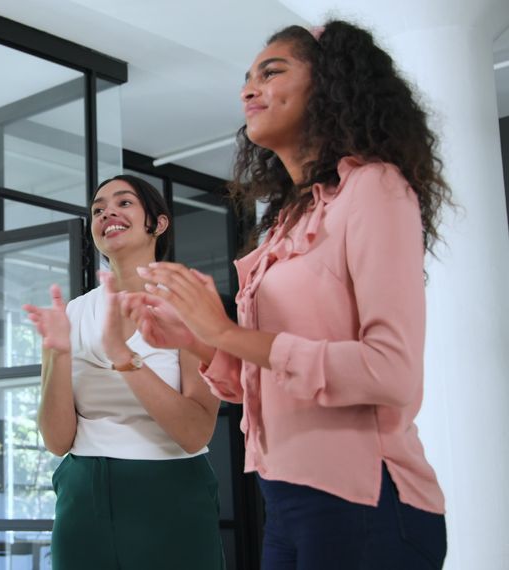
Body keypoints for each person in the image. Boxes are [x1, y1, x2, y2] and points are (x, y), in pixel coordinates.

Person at [132, 20, 451, 569]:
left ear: (328, 84)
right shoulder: (284, 223)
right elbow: (262, 380)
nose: (247, 90)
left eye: (270, 72)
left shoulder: (375, 187)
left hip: (368, 505)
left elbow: (391, 371)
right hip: (284, 503)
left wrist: (226, 332)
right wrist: (202, 344)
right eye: (246, 79)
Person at [23, 174, 224, 569]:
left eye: (124, 203)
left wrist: (124, 359)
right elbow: (57, 440)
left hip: (172, 490)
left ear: (158, 223)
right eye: (98, 209)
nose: (107, 212)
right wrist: (59, 355)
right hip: (83, 493)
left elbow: (195, 432)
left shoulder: (189, 304)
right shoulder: (73, 313)